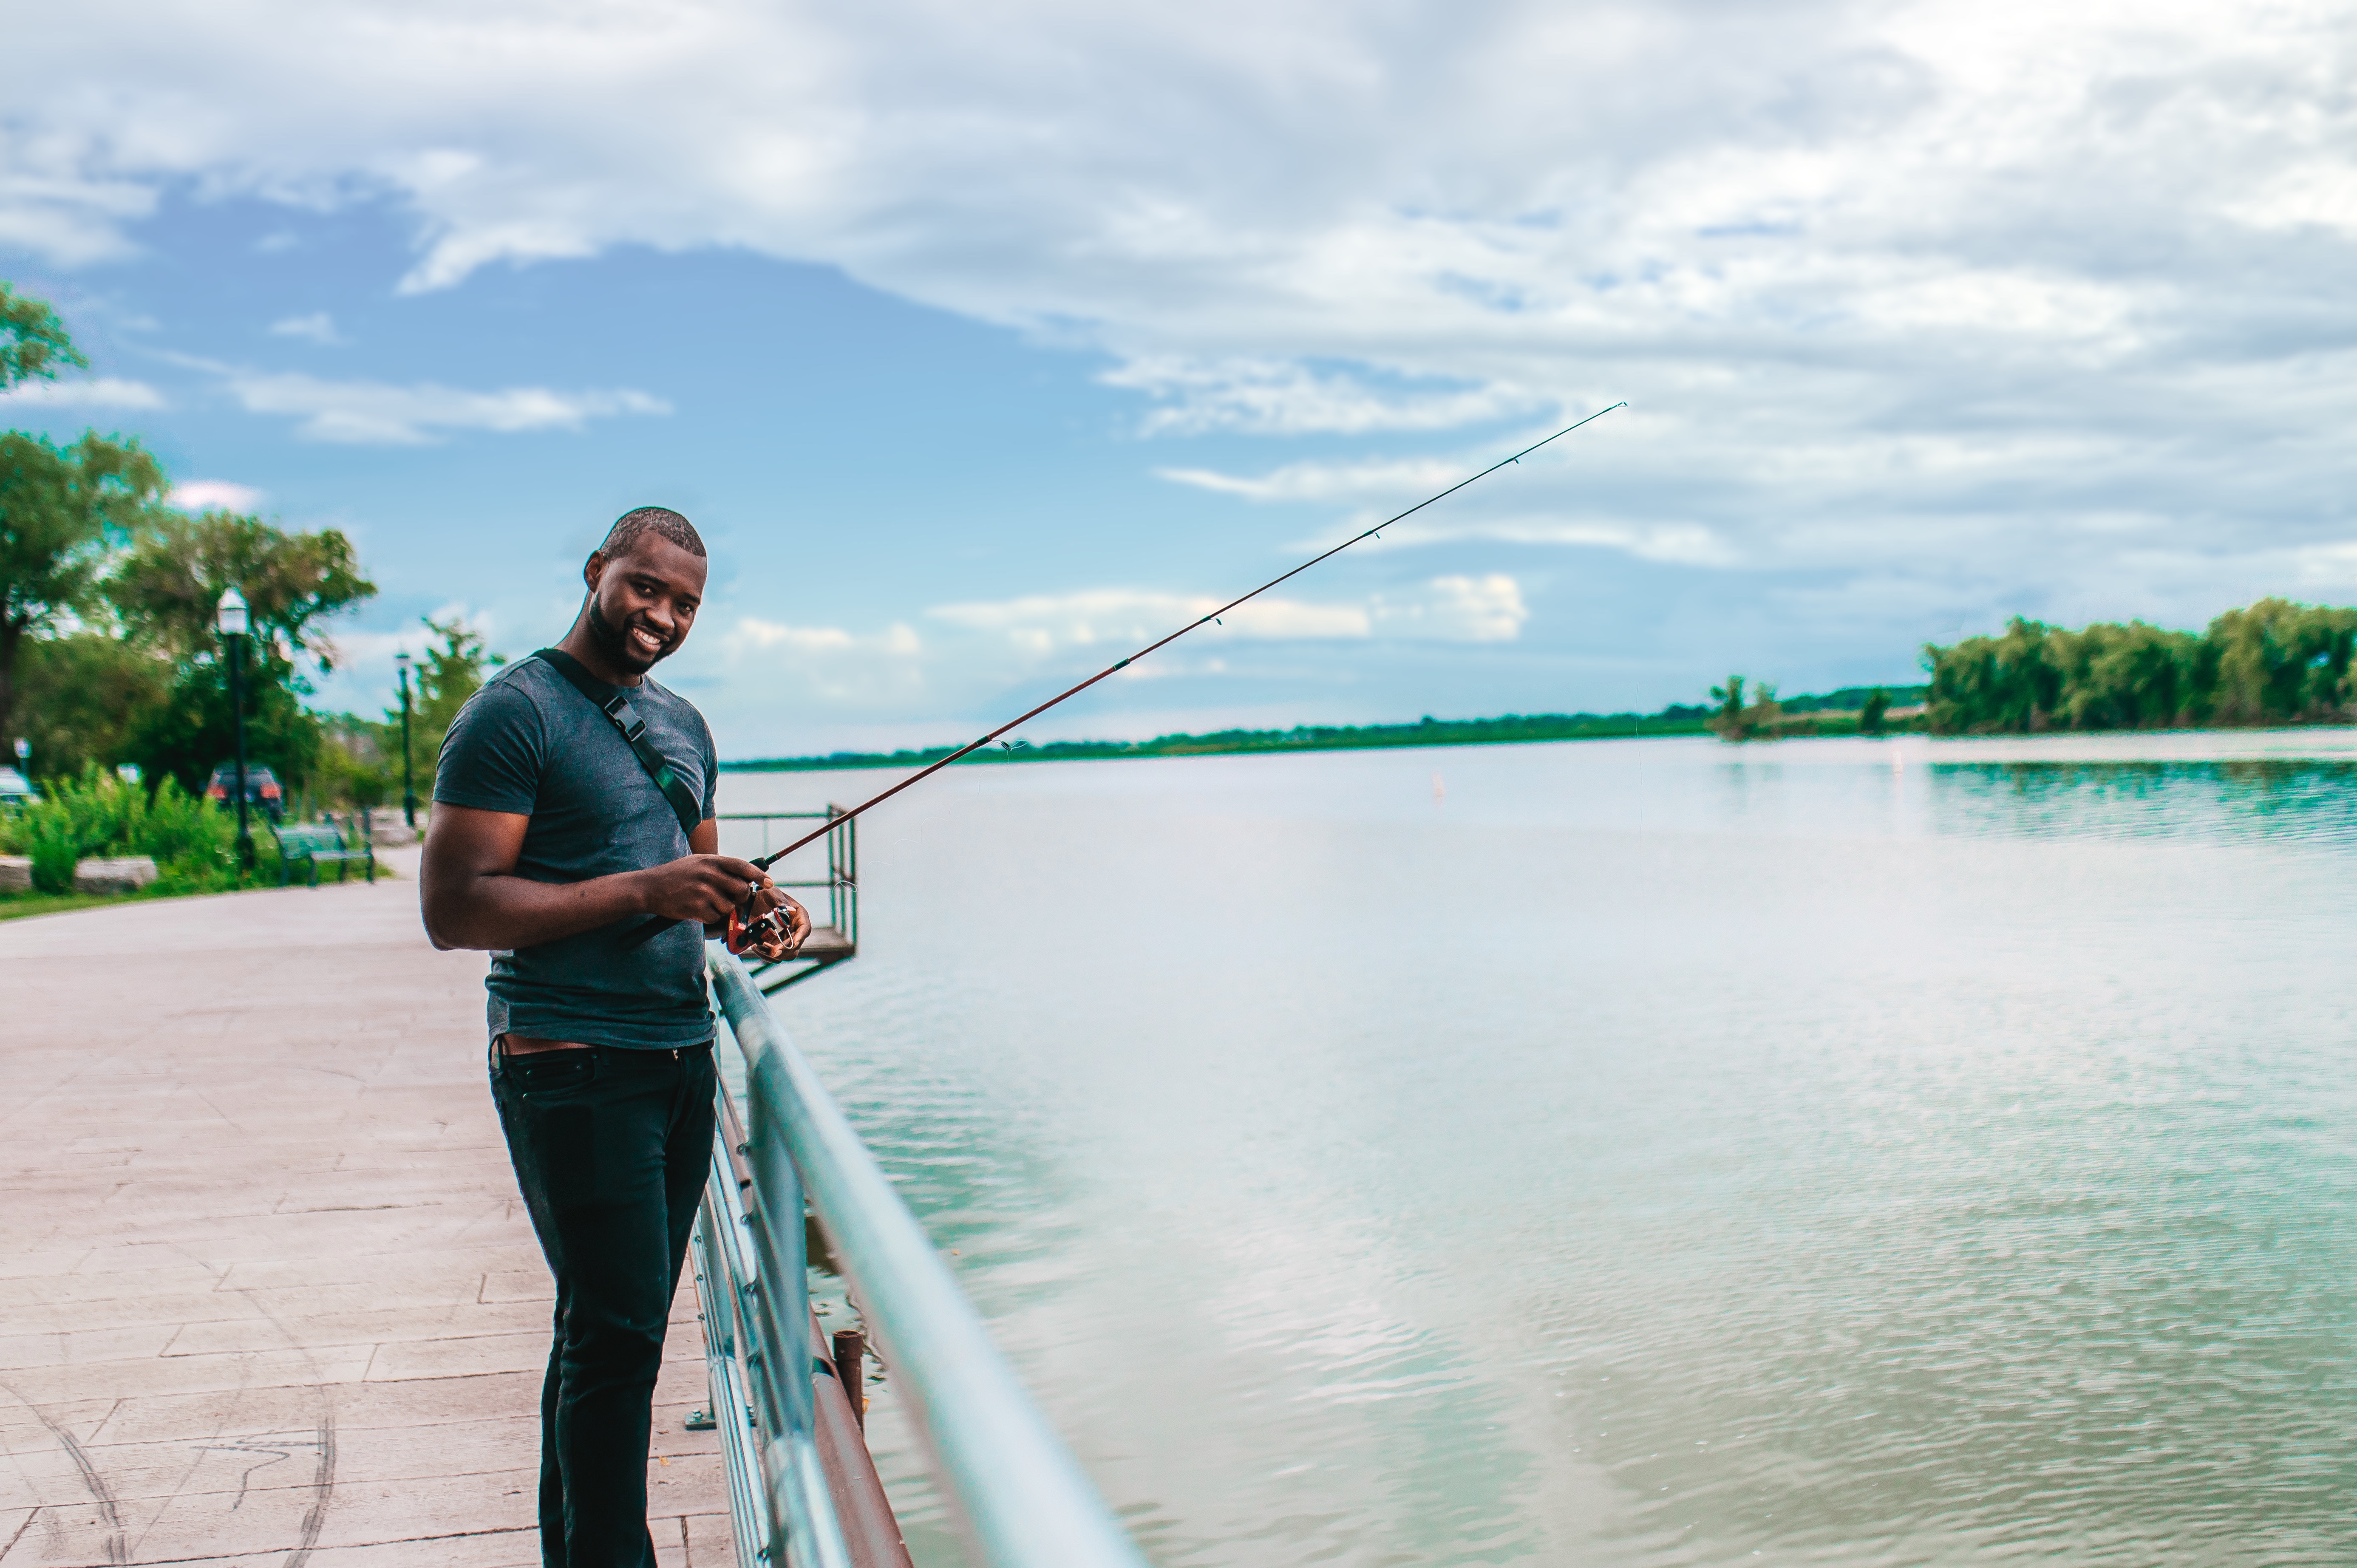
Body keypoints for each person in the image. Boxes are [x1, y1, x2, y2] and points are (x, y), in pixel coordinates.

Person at [420, 506, 810, 1566]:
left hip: (681, 1055)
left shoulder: (683, 723)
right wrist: (647, 885)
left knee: (608, 1329)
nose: (663, 616)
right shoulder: (515, 713)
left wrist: (749, 908)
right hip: (571, 1060)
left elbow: (699, 881)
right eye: (645, 587)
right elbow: (455, 910)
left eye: (685, 602)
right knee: (621, 1332)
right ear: (597, 571)